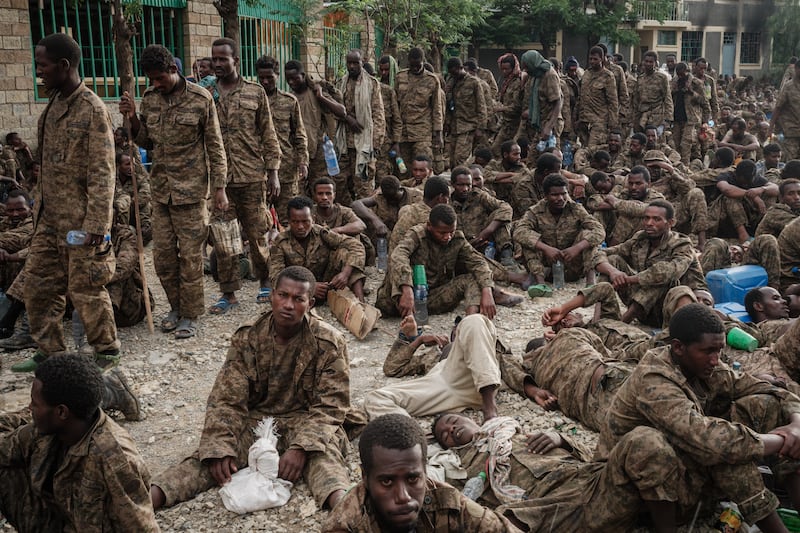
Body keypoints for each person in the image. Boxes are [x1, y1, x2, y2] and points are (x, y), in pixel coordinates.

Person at [150, 266, 353, 512]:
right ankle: (143, 503)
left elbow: (331, 405)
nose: (288, 304)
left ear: (310, 304)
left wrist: (301, 447)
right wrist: (220, 445)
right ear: (271, 296)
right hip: (258, 421)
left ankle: (347, 515)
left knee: (325, 461)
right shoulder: (249, 337)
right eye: (283, 295)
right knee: (207, 462)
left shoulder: (328, 342)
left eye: (298, 299)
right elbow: (227, 398)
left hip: (306, 420)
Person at [596, 304, 800, 531]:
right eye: (708, 351)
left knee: (766, 405)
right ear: (678, 347)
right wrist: (779, 441)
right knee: (721, 447)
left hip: (678, 472)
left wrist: (796, 425)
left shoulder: (705, 367)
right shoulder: (654, 379)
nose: (715, 359)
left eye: (719, 350)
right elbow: (705, 438)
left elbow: (769, 389)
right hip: (627, 489)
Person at [14, 33, 119, 373]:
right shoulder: (54, 103)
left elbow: (104, 174)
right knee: (38, 285)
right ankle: (50, 351)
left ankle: (106, 352)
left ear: (63, 65)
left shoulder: (92, 109)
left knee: (86, 287)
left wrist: (97, 229)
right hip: (48, 218)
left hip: (80, 223)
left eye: (42, 65)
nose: (38, 72)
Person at [119, 44, 228, 340]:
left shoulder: (201, 98)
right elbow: (145, 142)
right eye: (151, 80)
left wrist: (219, 188)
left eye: (159, 79)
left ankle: (190, 315)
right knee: (164, 259)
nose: (155, 84)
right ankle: (175, 307)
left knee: (191, 257)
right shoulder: (150, 99)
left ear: (173, 70)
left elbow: (216, 147)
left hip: (191, 193)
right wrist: (131, 119)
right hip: (161, 192)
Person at [432, 412, 700, 532]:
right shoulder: (462, 467)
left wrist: (560, 438)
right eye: (445, 434)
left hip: (590, 485)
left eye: (453, 421)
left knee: (644, 440)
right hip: (548, 510)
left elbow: (595, 457)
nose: (451, 429)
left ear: (471, 418)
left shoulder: (509, 429)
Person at [0, 354, 155, 532]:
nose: (29, 408)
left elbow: (142, 527)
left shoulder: (115, 461)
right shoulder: (47, 429)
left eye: (35, 404)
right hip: (58, 519)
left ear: (61, 412)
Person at [322, 414, 520, 532]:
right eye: (387, 482)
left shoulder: (445, 501)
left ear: (425, 472)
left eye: (412, 478)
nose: (403, 497)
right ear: (365, 478)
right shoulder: (346, 524)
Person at [206, 39, 281, 313]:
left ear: (235, 61)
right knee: (223, 237)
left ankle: (265, 282)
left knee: (258, 234)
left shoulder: (255, 93)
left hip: (251, 176)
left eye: (223, 59)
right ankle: (228, 293)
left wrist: (273, 173)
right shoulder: (205, 93)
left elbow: (268, 134)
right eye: (214, 59)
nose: (217, 64)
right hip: (219, 181)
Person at [365, 312, 505, 421]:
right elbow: (392, 368)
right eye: (456, 329)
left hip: (478, 380)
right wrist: (417, 340)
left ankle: (490, 408)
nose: (459, 330)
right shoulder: (434, 354)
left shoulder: (488, 349)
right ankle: (411, 438)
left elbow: (515, 371)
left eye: (461, 328)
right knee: (376, 398)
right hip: (442, 384)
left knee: (473, 320)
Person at [593, 200, 704, 326]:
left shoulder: (682, 244)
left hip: (676, 310)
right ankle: (597, 321)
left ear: (670, 223)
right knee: (613, 260)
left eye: (656, 219)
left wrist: (628, 279)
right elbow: (601, 253)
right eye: (646, 218)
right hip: (647, 309)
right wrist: (613, 272)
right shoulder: (641, 238)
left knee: (660, 277)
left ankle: (623, 323)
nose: (649, 223)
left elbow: (668, 272)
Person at [375, 204, 497, 319]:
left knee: (472, 279)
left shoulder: (457, 239)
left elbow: (478, 262)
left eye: (451, 232)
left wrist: (487, 290)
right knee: (397, 267)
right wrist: (406, 288)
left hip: (430, 298)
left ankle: (470, 322)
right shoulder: (417, 235)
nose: (447, 237)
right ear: (429, 226)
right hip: (400, 298)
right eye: (442, 232)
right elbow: (399, 255)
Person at [514, 173, 605, 287]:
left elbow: (599, 230)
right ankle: (540, 284)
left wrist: (577, 248)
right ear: (545, 195)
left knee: (588, 235)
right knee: (529, 240)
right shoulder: (536, 211)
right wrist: (546, 248)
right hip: (547, 268)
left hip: (573, 266)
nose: (560, 199)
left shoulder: (575, 209)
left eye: (564, 194)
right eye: (555, 195)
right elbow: (519, 231)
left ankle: (591, 284)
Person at [270, 195, 366, 302]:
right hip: (296, 290)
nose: (300, 226)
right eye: (295, 222)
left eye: (305, 221)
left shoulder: (321, 233)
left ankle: (362, 306)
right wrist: (309, 287)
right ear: (289, 221)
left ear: (313, 219)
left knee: (347, 255)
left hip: (327, 283)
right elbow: (276, 277)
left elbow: (355, 245)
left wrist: (345, 274)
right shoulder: (280, 242)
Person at [255, 55, 308, 226]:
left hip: (286, 170)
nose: (265, 81)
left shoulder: (289, 101)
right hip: (256, 171)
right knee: (260, 222)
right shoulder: (250, 101)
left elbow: (299, 134)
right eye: (261, 77)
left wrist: (302, 162)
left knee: (288, 219)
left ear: (277, 76)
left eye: (269, 77)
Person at [284, 59, 345, 190]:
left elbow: (341, 111)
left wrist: (321, 97)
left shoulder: (315, 92)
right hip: (298, 154)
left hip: (319, 154)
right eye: (288, 79)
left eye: (295, 78)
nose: (291, 82)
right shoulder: (288, 99)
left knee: (320, 190)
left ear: (303, 75)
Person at [334, 49, 385, 204]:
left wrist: (375, 144)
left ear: (362, 62)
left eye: (355, 62)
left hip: (364, 144)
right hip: (343, 144)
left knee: (364, 186)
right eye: (349, 63)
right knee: (340, 184)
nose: (352, 66)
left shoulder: (371, 84)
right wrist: (349, 119)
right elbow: (335, 110)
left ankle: (366, 221)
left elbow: (378, 115)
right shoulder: (340, 83)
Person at [710, 159, 778, 243]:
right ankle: (743, 235)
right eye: (744, 181)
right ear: (737, 175)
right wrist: (753, 196)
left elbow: (776, 189)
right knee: (729, 198)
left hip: (749, 214)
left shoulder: (755, 178)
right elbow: (726, 189)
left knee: (770, 195)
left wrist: (762, 189)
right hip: (725, 216)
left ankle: (763, 230)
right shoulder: (727, 176)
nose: (746, 184)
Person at [351, 175, 422, 246]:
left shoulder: (417, 196)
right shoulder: (382, 196)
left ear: (400, 189)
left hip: (410, 237)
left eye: (394, 197)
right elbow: (356, 204)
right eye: (388, 199)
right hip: (386, 237)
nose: (391, 201)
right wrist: (375, 220)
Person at [603, 165, 665, 246]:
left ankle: (611, 248)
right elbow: (598, 201)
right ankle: (599, 243)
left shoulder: (658, 198)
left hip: (644, 240)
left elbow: (642, 209)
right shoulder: (625, 192)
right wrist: (614, 204)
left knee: (629, 215)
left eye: (638, 183)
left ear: (648, 184)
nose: (634, 187)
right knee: (602, 212)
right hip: (617, 235)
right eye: (631, 183)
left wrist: (615, 203)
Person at [517, 50, 563, 157]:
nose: (526, 70)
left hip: (550, 123)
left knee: (551, 159)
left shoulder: (549, 75)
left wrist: (549, 127)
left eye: (527, 67)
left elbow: (558, 101)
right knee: (534, 160)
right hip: (540, 123)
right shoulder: (535, 75)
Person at [389, 175, 450, 253]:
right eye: (448, 198)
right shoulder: (429, 218)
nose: (448, 203)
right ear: (440, 197)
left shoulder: (413, 208)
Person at [444, 57, 487, 168]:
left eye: (455, 72)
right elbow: (449, 105)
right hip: (454, 126)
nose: (453, 75)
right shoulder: (452, 82)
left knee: (460, 158)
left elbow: (481, 106)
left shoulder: (474, 82)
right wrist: (447, 123)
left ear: (461, 68)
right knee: (452, 160)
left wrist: (481, 128)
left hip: (468, 125)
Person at [576, 46, 618, 148]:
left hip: (599, 121)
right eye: (590, 59)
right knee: (583, 150)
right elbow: (580, 97)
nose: (592, 61)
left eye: (595, 59)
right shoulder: (586, 74)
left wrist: (612, 124)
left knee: (593, 150)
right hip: (584, 120)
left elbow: (613, 101)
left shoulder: (608, 76)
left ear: (602, 59)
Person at [670, 61, 711, 163]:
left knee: (686, 144)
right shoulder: (674, 82)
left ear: (687, 72)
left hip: (691, 119)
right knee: (675, 144)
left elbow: (704, 102)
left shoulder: (697, 83)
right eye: (678, 74)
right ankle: (678, 166)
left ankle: (686, 167)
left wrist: (691, 92)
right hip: (677, 118)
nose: (680, 76)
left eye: (682, 74)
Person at [114, 152, 152, 244]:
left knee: (146, 205)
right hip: (117, 215)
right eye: (127, 164)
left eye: (133, 164)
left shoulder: (139, 179)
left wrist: (129, 204)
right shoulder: (112, 180)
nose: (131, 167)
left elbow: (145, 194)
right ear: (118, 166)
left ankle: (144, 230)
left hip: (134, 213)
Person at [632, 51, 673, 134]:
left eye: (651, 62)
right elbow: (636, 100)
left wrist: (668, 119)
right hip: (642, 115)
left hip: (657, 116)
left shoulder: (662, 78)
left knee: (655, 141)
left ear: (655, 63)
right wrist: (633, 118)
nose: (648, 64)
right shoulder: (640, 78)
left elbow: (667, 98)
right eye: (646, 61)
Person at [492, 53, 524, 157]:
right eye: (502, 69)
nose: (504, 72)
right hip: (506, 122)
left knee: (512, 152)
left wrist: (500, 109)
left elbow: (517, 107)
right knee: (496, 149)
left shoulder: (518, 82)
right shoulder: (506, 82)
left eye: (507, 69)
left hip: (516, 123)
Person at [771, 59, 800, 160]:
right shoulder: (788, 86)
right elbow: (778, 108)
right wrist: (770, 129)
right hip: (791, 131)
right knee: (791, 161)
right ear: (796, 69)